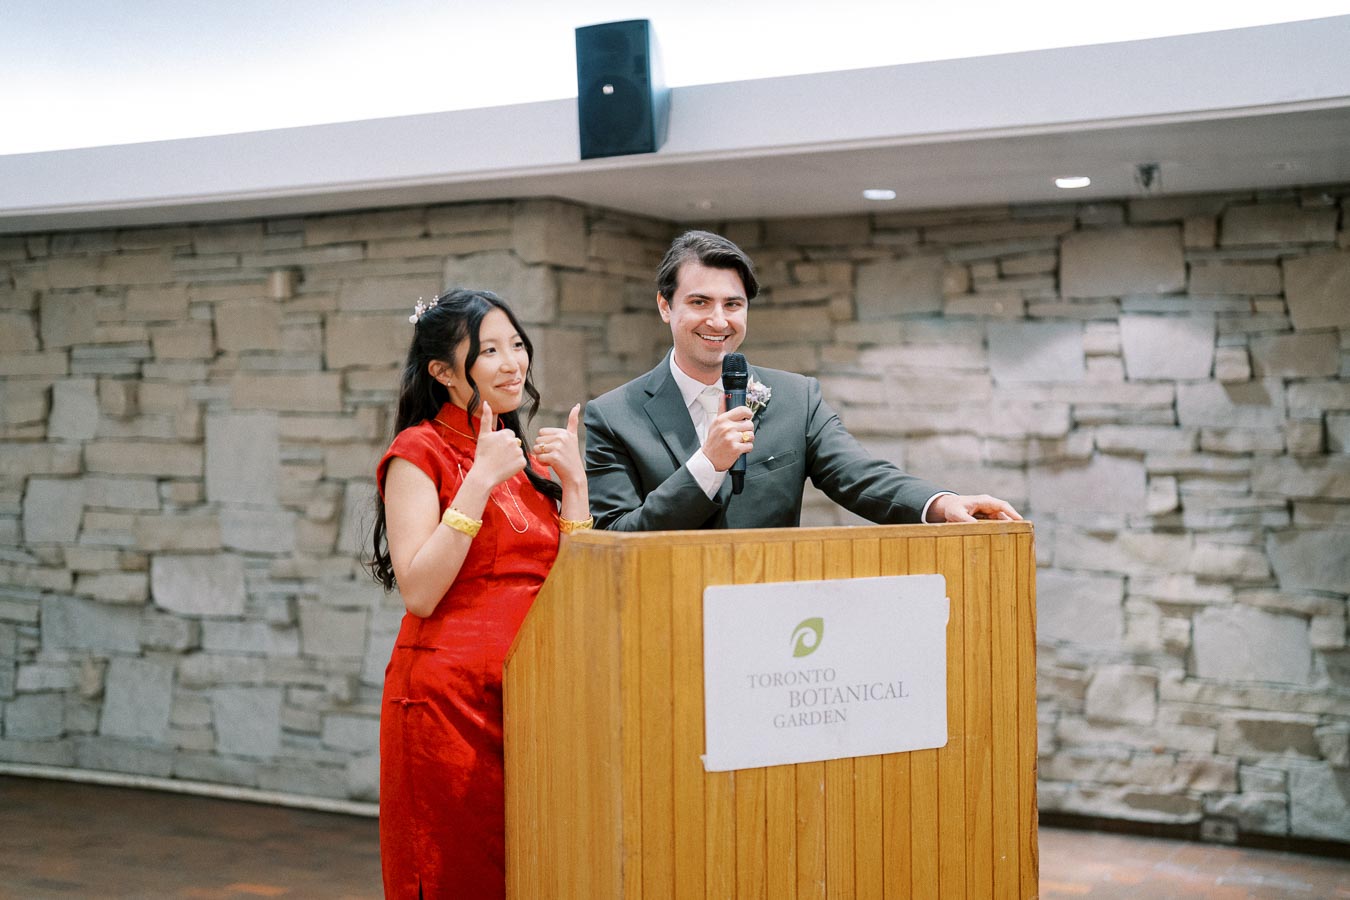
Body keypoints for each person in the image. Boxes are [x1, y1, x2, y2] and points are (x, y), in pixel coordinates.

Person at [366, 288, 591, 899]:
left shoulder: (525, 461)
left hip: (528, 696)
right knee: (458, 871)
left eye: (516, 345)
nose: (512, 362)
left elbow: (569, 590)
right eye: (488, 350)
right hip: (447, 702)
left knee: (532, 865)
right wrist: (479, 480)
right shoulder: (419, 450)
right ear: (443, 372)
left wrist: (573, 487)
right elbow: (418, 589)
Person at [584, 230, 1020, 530]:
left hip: (772, 617)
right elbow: (619, 533)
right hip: (663, 623)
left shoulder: (796, 398)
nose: (718, 320)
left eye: (733, 305)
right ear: (665, 306)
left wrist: (941, 504)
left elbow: (860, 475)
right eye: (700, 302)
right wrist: (707, 465)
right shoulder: (613, 416)